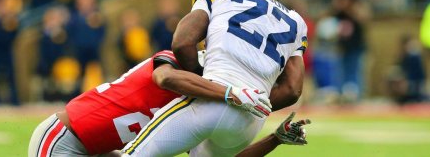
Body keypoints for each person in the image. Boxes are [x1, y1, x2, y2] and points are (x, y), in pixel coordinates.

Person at [123, 0, 308, 156]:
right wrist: (255, 102)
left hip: (213, 98)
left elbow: (182, 43)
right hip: (248, 124)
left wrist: (201, 82)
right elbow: (292, 89)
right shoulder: (295, 21)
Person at [28, 50, 271, 157]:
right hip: (64, 139)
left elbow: (222, 156)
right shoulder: (179, 64)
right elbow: (165, 78)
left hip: (102, 151)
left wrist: (276, 139)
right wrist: (230, 92)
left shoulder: (201, 100)